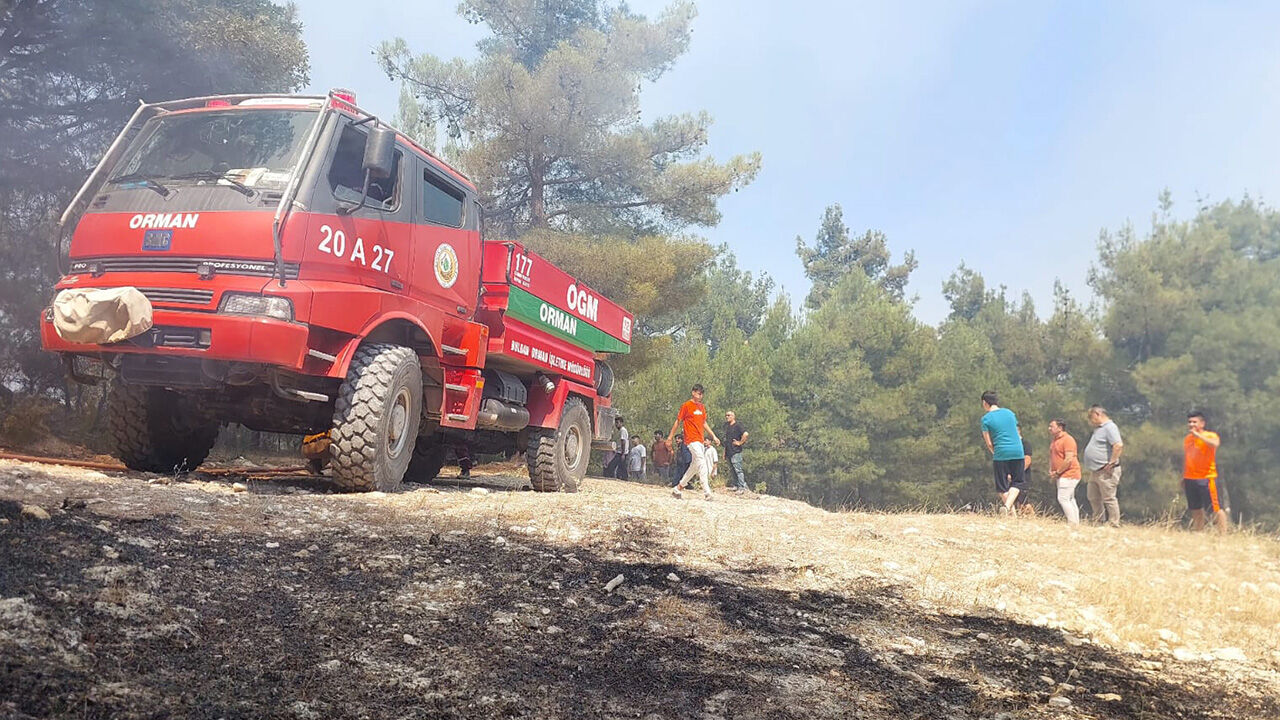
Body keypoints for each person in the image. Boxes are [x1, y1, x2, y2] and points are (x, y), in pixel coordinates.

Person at [668, 383, 721, 500]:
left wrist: (714, 436)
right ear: (693, 392)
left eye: (702, 394)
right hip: (691, 439)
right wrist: (670, 437)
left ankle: (678, 488)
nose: (700, 396)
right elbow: (678, 421)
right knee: (701, 462)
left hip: (700, 440)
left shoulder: (701, 407)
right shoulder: (686, 405)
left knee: (695, 466)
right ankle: (707, 491)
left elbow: (704, 423)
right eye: (698, 393)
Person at [980, 390, 1025, 513]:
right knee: (1017, 482)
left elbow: (989, 442)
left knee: (1002, 486)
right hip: (1018, 450)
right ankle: (1011, 513)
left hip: (1001, 453)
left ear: (985, 403)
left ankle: (1006, 507)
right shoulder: (1010, 413)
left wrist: (995, 452)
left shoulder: (986, 419)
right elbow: (1016, 432)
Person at [1184, 411, 1228, 533]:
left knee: (1216, 508)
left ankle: (1222, 534)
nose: (1191, 424)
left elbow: (1215, 444)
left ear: (1202, 423)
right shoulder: (1187, 439)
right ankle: (1199, 532)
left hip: (1207, 477)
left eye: (1194, 422)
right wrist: (1184, 477)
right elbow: (1189, 458)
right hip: (1190, 477)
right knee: (1195, 508)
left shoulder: (1210, 436)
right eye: (1189, 422)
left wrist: (1199, 436)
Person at [1083, 405, 1124, 526]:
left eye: (1091, 418)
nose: (1091, 421)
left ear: (1097, 414)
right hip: (1095, 470)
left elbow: (1118, 445)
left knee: (1109, 497)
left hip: (1106, 470)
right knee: (1093, 497)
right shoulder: (1099, 429)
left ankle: (1113, 522)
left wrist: (1111, 462)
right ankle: (1098, 520)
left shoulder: (1110, 427)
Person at [1047, 419, 1082, 525]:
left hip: (1069, 474)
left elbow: (1068, 459)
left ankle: (1072, 523)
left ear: (1060, 428)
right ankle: (1075, 522)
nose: (1049, 428)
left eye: (1051, 426)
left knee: (1063, 498)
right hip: (1061, 475)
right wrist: (1051, 470)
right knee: (1070, 499)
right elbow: (1053, 457)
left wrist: (1058, 472)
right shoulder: (1054, 440)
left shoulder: (1068, 440)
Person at [723, 410, 750, 493]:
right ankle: (736, 485)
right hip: (729, 451)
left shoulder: (738, 425)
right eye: (726, 415)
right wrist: (724, 452)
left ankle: (742, 487)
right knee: (732, 469)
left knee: (738, 470)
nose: (727, 417)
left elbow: (746, 434)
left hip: (736, 451)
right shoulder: (727, 426)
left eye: (729, 415)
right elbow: (727, 440)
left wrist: (740, 443)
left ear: (733, 416)